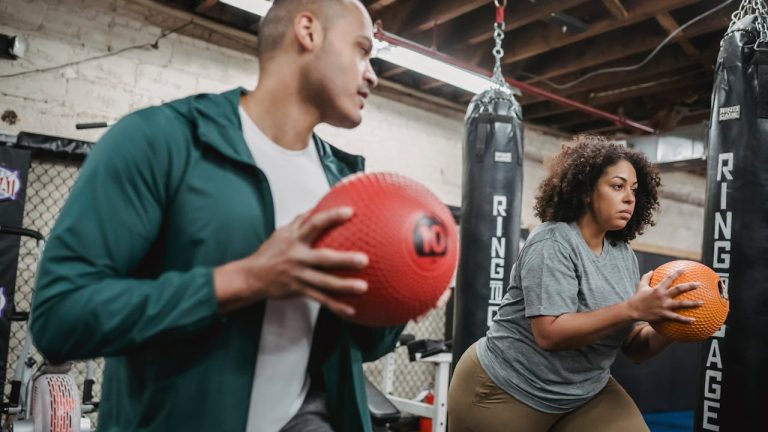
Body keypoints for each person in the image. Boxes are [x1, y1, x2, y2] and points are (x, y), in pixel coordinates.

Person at [29, 1, 424, 431]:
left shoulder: (344, 187)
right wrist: (242, 281)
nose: (372, 74)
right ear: (308, 32)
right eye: (362, 49)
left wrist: (398, 298)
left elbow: (353, 347)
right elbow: (58, 319)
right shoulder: (159, 142)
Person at [447, 135, 703, 432]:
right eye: (617, 186)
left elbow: (634, 348)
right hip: (506, 390)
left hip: (585, 394)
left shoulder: (623, 256)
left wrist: (676, 322)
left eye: (633, 189)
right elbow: (550, 334)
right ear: (586, 191)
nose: (630, 198)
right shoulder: (552, 241)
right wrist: (633, 309)